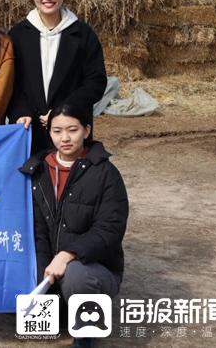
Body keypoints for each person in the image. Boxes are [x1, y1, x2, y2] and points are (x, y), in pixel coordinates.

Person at [19, 103, 128, 348]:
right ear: (49, 133)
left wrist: (68, 254)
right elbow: (37, 231)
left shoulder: (106, 174)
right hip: (50, 268)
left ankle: (86, 336)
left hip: (93, 268)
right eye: (57, 131)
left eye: (73, 130)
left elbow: (109, 230)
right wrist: (43, 273)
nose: (65, 138)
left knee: (76, 275)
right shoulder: (36, 172)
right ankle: (60, 307)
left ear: (86, 131)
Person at [7, 0, 106, 154]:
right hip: (29, 128)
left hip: (71, 127)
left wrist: (64, 110)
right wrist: (21, 113)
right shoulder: (18, 35)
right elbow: (11, 83)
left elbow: (96, 82)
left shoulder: (83, 34)